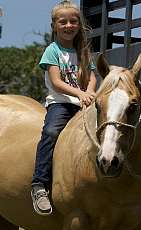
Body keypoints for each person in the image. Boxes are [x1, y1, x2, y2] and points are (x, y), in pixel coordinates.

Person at [31, 0, 97, 216]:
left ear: (79, 24)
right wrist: (79, 93)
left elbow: (92, 76)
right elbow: (57, 81)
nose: (68, 25)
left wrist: (90, 92)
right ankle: (39, 185)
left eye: (73, 21)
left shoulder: (83, 51)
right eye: (63, 22)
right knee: (50, 133)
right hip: (60, 103)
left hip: (83, 104)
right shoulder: (53, 51)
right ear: (54, 26)